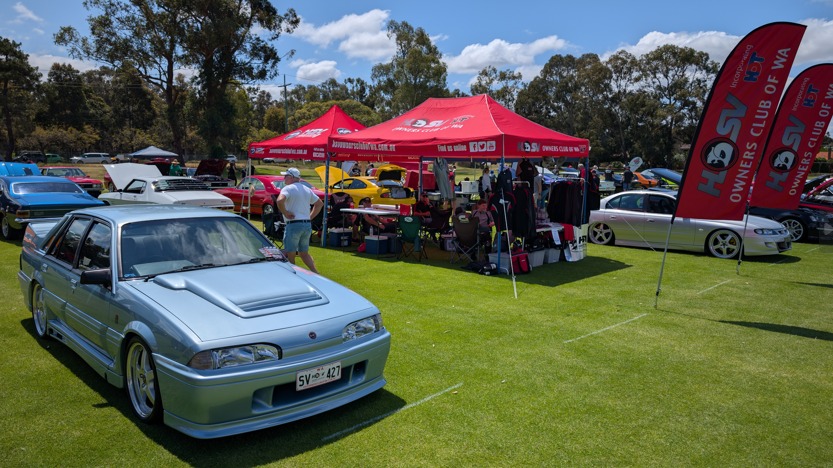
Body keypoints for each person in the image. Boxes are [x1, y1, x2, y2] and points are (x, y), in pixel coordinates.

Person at [276, 168, 324, 274]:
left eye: (286, 176)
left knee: (290, 255)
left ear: (291, 177)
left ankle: (294, 277)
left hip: (293, 225)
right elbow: (319, 203)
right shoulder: (307, 189)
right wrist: (310, 217)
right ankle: (316, 274)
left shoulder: (288, 188)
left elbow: (279, 200)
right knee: (304, 254)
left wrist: (285, 213)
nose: (284, 178)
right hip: (306, 225)